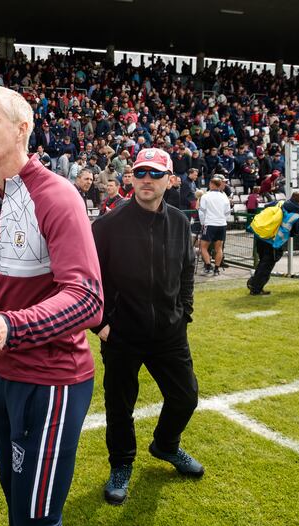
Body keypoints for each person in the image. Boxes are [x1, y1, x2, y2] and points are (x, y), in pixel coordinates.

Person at [0, 85, 102, 526]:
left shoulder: (58, 197)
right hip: (7, 376)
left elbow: (88, 298)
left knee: (36, 520)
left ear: (22, 129)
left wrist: (9, 326)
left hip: (54, 381)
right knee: (17, 500)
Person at [91, 148, 203, 507]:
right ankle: (122, 465)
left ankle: (166, 445)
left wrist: (184, 312)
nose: (146, 180)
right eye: (140, 173)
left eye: (155, 174)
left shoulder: (181, 223)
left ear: (170, 180)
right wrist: (100, 324)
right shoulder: (108, 225)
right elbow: (88, 279)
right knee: (120, 405)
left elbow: (187, 271)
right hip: (122, 334)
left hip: (170, 333)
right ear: (131, 178)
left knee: (185, 397)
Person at [247, 191, 299, 296]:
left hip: (261, 236)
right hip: (273, 242)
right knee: (267, 265)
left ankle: (254, 282)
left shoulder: (278, 203)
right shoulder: (296, 215)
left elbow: (266, 207)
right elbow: (295, 232)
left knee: (262, 262)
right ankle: (256, 288)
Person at [198, 176, 231, 276]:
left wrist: (203, 223)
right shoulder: (224, 196)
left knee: (203, 247)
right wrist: (223, 220)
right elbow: (227, 213)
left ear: (211, 185)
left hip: (210, 223)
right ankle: (216, 269)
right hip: (222, 224)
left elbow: (202, 212)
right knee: (219, 248)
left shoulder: (205, 196)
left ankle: (208, 267)